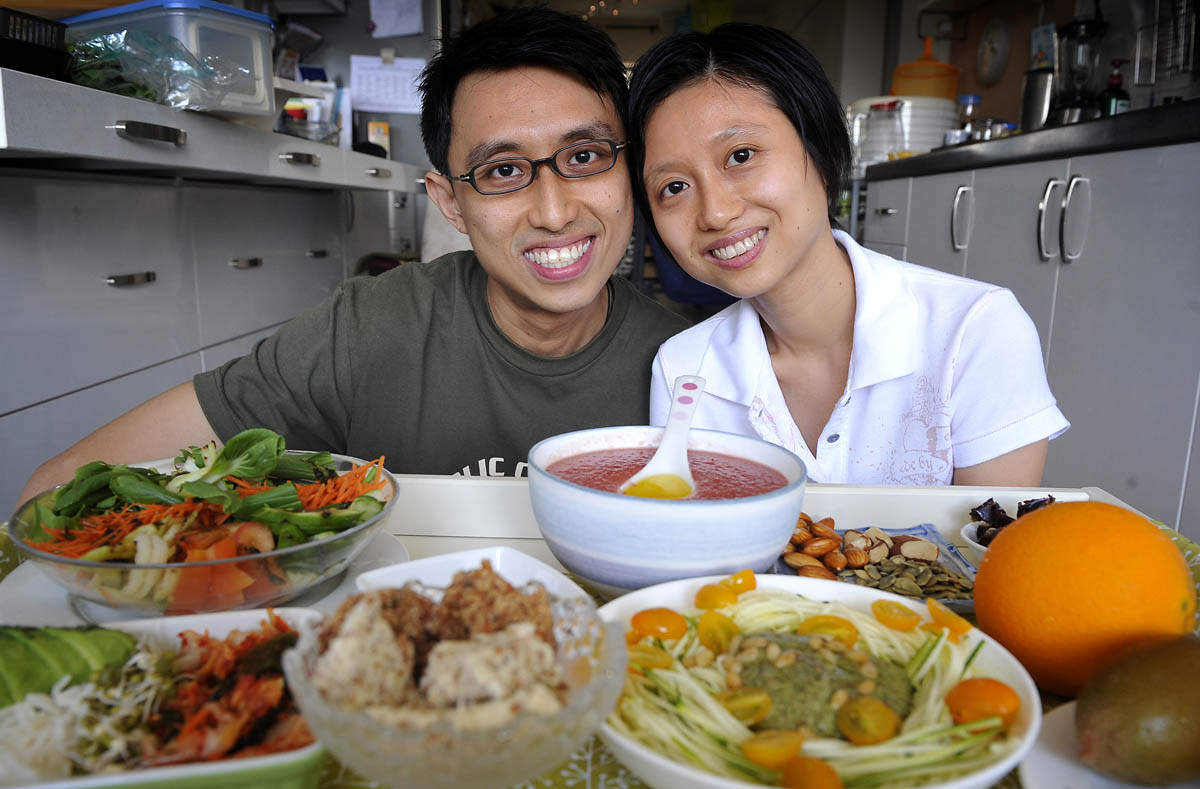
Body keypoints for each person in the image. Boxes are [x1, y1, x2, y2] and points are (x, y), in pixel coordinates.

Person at [19, 8, 689, 502]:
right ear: (451, 203)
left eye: (584, 156)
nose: (554, 212)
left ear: (629, 169)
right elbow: (59, 488)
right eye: (503, 171)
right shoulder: (368, 332)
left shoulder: (693, 365)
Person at [627, 23, 1068, 487]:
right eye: (674, 186)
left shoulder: (973, 332)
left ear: (820, 152)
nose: (715, 212)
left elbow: (996, 532)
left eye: (741, 156)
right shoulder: (684, 369)